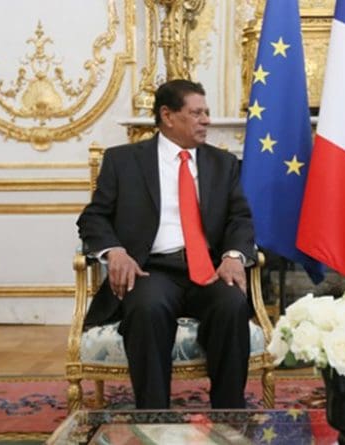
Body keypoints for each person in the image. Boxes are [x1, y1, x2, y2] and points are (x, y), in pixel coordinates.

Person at [77, 79, 256, 409]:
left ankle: (230, 417)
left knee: (232, 305)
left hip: (209, 268)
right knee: (147, 309)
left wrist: (233, 255)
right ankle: (154, 418)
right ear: (168, 115)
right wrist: (114, 251)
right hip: (151, 270)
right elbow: (93, 218)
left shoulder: (223, 163)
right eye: (196, 113)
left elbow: (240, 218)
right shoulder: (124, 161)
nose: (206, 121)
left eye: (207, 113)